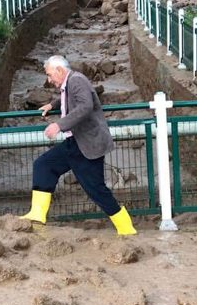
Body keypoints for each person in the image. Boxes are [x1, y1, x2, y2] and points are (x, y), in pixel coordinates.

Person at [20, 55, 137, 236]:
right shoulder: (70, 82)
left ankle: (125, 227)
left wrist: (59, 125)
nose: (49, 80)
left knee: (96, 189)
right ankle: (37, 213)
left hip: (87, 144)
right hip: (74, 142)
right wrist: (52, 105)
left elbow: (85, 106)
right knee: (44, 165)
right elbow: (68, 99)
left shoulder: (77, 81)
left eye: (50, 75)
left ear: (59, 70)